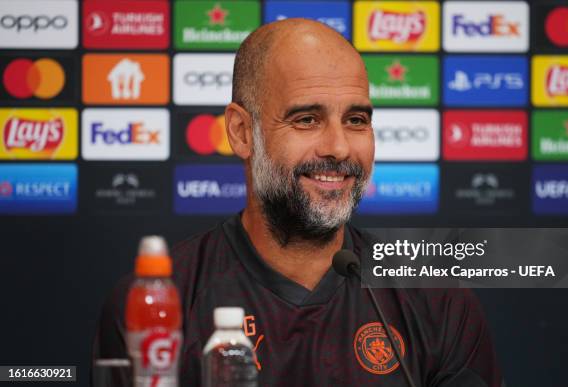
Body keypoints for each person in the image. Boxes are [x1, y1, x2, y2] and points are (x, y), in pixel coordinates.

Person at [93, 19, 502, 386]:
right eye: (306, 119)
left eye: (356, 120)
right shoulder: (159, 307)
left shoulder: (437, 299)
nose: (339, 147)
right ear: (241, 132)